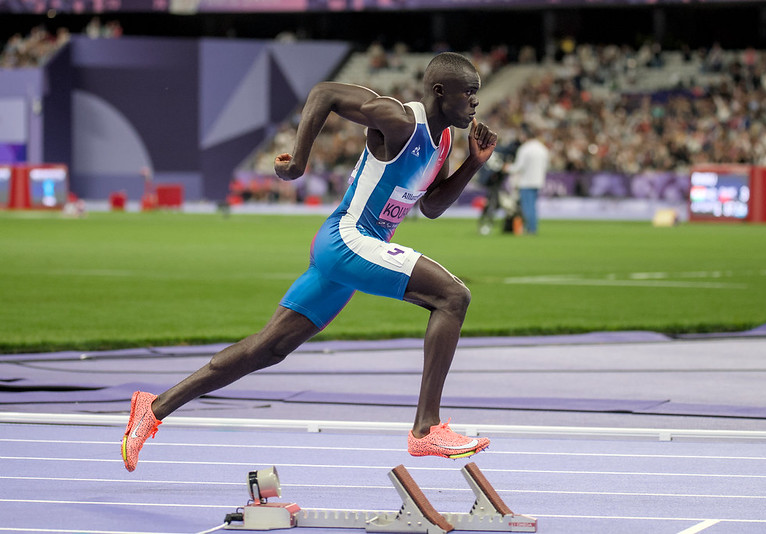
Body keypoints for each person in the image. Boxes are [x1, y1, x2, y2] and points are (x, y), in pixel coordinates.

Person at [121, 52, 498, 471]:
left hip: (353, 253)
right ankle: (426, 429)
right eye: (470, 93)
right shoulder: (399, 120)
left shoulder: (443, 141)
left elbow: (430, 206)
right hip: (347, 240)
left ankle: (152, 408)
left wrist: (472, 165)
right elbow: (325, 93)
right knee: (452, 296)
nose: (475, 104)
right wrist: (299, 160)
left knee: (267, 349)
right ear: (441, 92)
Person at [506, 124, 548, 234]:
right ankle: (533, 227)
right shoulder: (542, 148)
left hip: (526, 182)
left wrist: (507, 167)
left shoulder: (524, 149)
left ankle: (530, 229)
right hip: (537, 181)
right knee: (533, 207)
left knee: (527, 207)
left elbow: (518, 167)